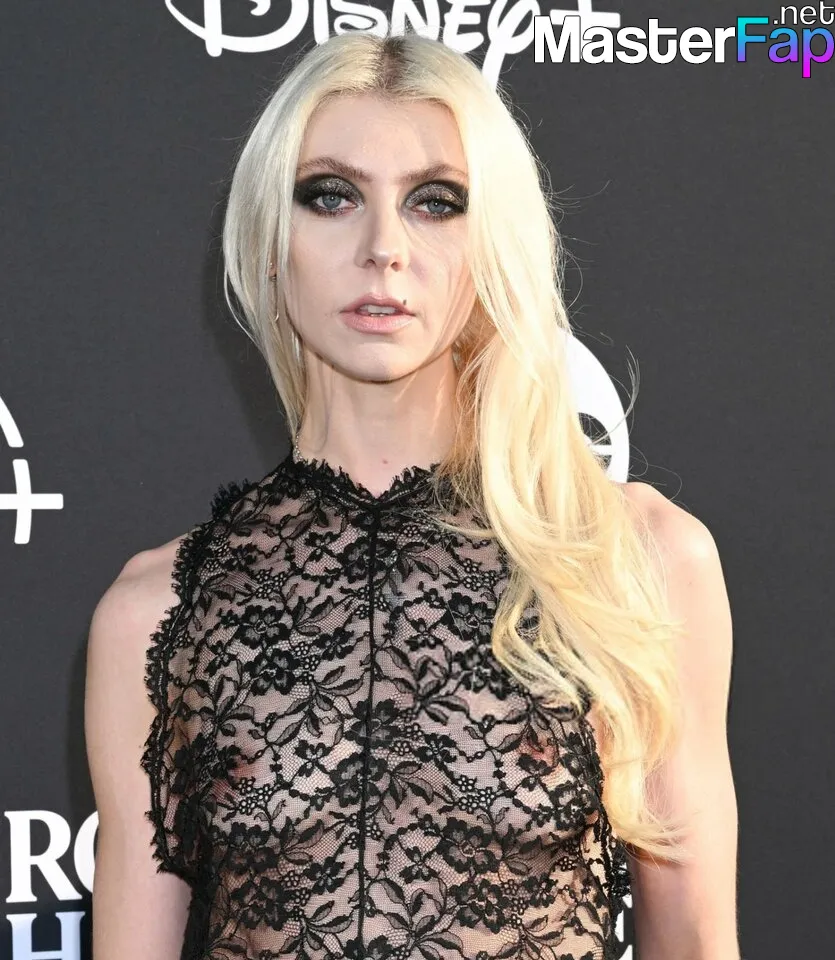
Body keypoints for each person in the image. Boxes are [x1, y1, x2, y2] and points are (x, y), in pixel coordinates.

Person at [84, 30, 739, 960]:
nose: (383, 248)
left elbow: (697, 942)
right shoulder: (155, 613)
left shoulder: (634, 561)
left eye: (435, 202)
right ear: (269, 241)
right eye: (330, 195)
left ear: (491, 244)